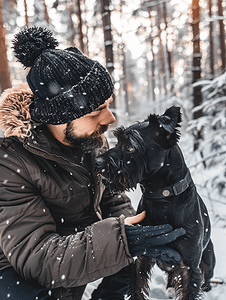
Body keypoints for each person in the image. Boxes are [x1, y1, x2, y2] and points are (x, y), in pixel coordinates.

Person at [0, 26, 185, 300]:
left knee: (128, 259)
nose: (110, 119)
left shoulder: (90, 141)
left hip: (79, 246)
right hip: (23, 266)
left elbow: (112, 198)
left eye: (107, 105)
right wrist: (120, 240)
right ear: (59, 116)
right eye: (97, 110)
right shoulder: (10, 164)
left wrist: (140, 229)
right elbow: (37, 256)